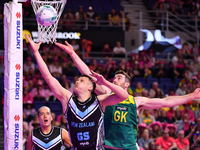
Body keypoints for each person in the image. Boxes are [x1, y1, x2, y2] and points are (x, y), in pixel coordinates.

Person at [55, 40, 200, 150]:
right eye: (115, 77)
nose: (115, 79)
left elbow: (166, 101)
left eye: (119, 78)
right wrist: (73, 54)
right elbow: (87, 74)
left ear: (126, 84)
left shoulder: (136, 101)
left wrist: (191, 96)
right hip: (108, 147)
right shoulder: (106, 94)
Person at [25, 35, 129, 150]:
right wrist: (36, 53)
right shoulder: (67, 99)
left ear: (90, 87)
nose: (77, 81)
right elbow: (48, 77)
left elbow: (124, 96)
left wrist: (105, 82)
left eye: (81, 80)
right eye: (77, 80)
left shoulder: (99, 101)